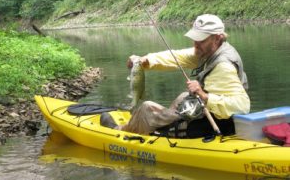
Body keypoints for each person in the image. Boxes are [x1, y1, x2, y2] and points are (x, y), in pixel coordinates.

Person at [102, 14, 250, 138]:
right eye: (195, 39)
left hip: (213, 125)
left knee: (147, 108)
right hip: (210, 115)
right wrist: (146, 61)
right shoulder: (210, 50)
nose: (196, 44)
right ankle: (161, 126)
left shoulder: (223, 66)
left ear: (217, 38)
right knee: (183, 97)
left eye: (201, 40)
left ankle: (119, 131)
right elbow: (176, 57)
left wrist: (203, 95)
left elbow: (243, 106)